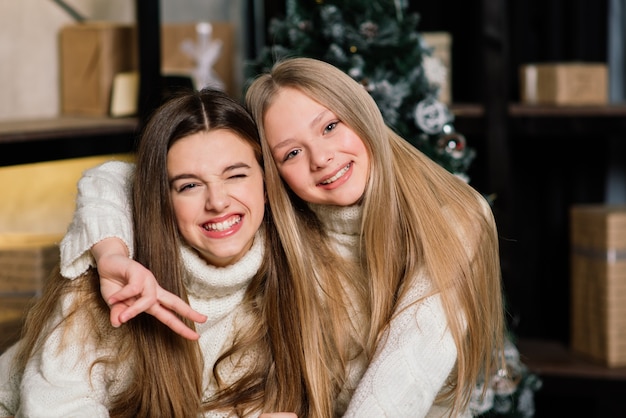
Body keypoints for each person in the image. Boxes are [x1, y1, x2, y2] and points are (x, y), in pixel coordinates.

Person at [19, 58, 507, 417]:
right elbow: (118, 177)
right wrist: (109, 252)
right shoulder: (280, 230)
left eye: (332, 126)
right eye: (291, 152)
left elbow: (402, 385)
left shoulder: (452, 219)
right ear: (275, 174)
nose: (321, 159)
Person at [0, 88, 360, 417]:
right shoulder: (116, 278)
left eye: (235, 176)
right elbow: (55, 408)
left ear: (266, 185)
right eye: (189, 186)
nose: (217, 202)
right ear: (163, 200)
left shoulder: (308, 275)